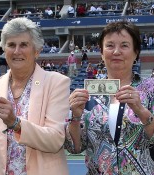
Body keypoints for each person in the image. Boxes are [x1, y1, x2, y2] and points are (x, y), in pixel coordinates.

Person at [0, 17, 70, 175]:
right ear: (4, 49)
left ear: (37, 50)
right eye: (11, 45)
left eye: (24, 45)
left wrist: (15, 123)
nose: (16, 51)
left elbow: (55, 140)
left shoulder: (57, 83)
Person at [65, 21, 154, 174]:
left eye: (124, 45)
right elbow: (75, 147)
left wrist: (141, 111)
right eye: (110, 46)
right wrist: (76, 117)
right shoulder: (89, 95)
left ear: (136, 52)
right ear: (101, 52)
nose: (116, 52)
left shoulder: (150, 90)